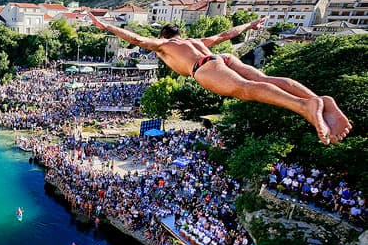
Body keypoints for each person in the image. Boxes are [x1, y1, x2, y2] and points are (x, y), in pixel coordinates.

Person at [89, 13, 352, 145]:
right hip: (220, 57)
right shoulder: (194, 41)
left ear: (163, 36)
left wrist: (105, 26)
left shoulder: (163, 46)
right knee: (267, 78)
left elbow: (134, 38)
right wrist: (249, 26)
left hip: (204, 68)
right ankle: (316, 98)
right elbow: (227, 34)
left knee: (245, 89)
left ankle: (305, 106)